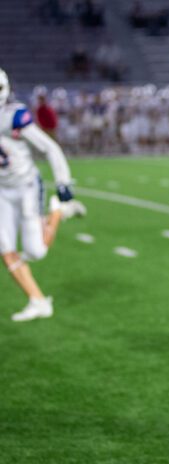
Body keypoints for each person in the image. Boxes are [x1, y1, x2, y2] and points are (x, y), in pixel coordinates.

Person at [0, 68, 86, 321]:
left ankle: (58, 210)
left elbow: (50, 148)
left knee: (36, 252)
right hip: (2, 190)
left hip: (26, 186)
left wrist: (63, 181)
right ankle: (38, 301)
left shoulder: (13, 115)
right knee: (5, 247)